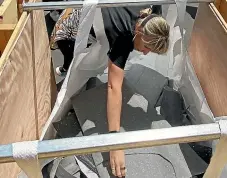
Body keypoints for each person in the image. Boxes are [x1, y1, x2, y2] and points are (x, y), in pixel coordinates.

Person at [51, 5, 170, 177]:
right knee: (75, 68)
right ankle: (65, 67)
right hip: (72, 26)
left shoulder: (154, 12)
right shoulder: (123, 36)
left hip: (99, 14)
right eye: (146, 47)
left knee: (103, 62)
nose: (145, 53)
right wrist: (115, 142)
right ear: (139, 31)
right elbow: (114, 87)